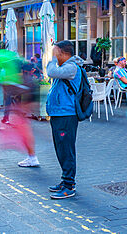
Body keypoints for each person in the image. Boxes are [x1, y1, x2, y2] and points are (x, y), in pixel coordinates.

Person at [45, 41, 84, 199]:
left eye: (56, 52)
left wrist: (52, 59)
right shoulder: (66, 67)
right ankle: (65, 180)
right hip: (59, 113)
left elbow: (51, 71)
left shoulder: (72, 67)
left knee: (66, 149)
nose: (54, 55)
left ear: (63, 53)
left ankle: (69, 185)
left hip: (66, 114)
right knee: (60, 148)